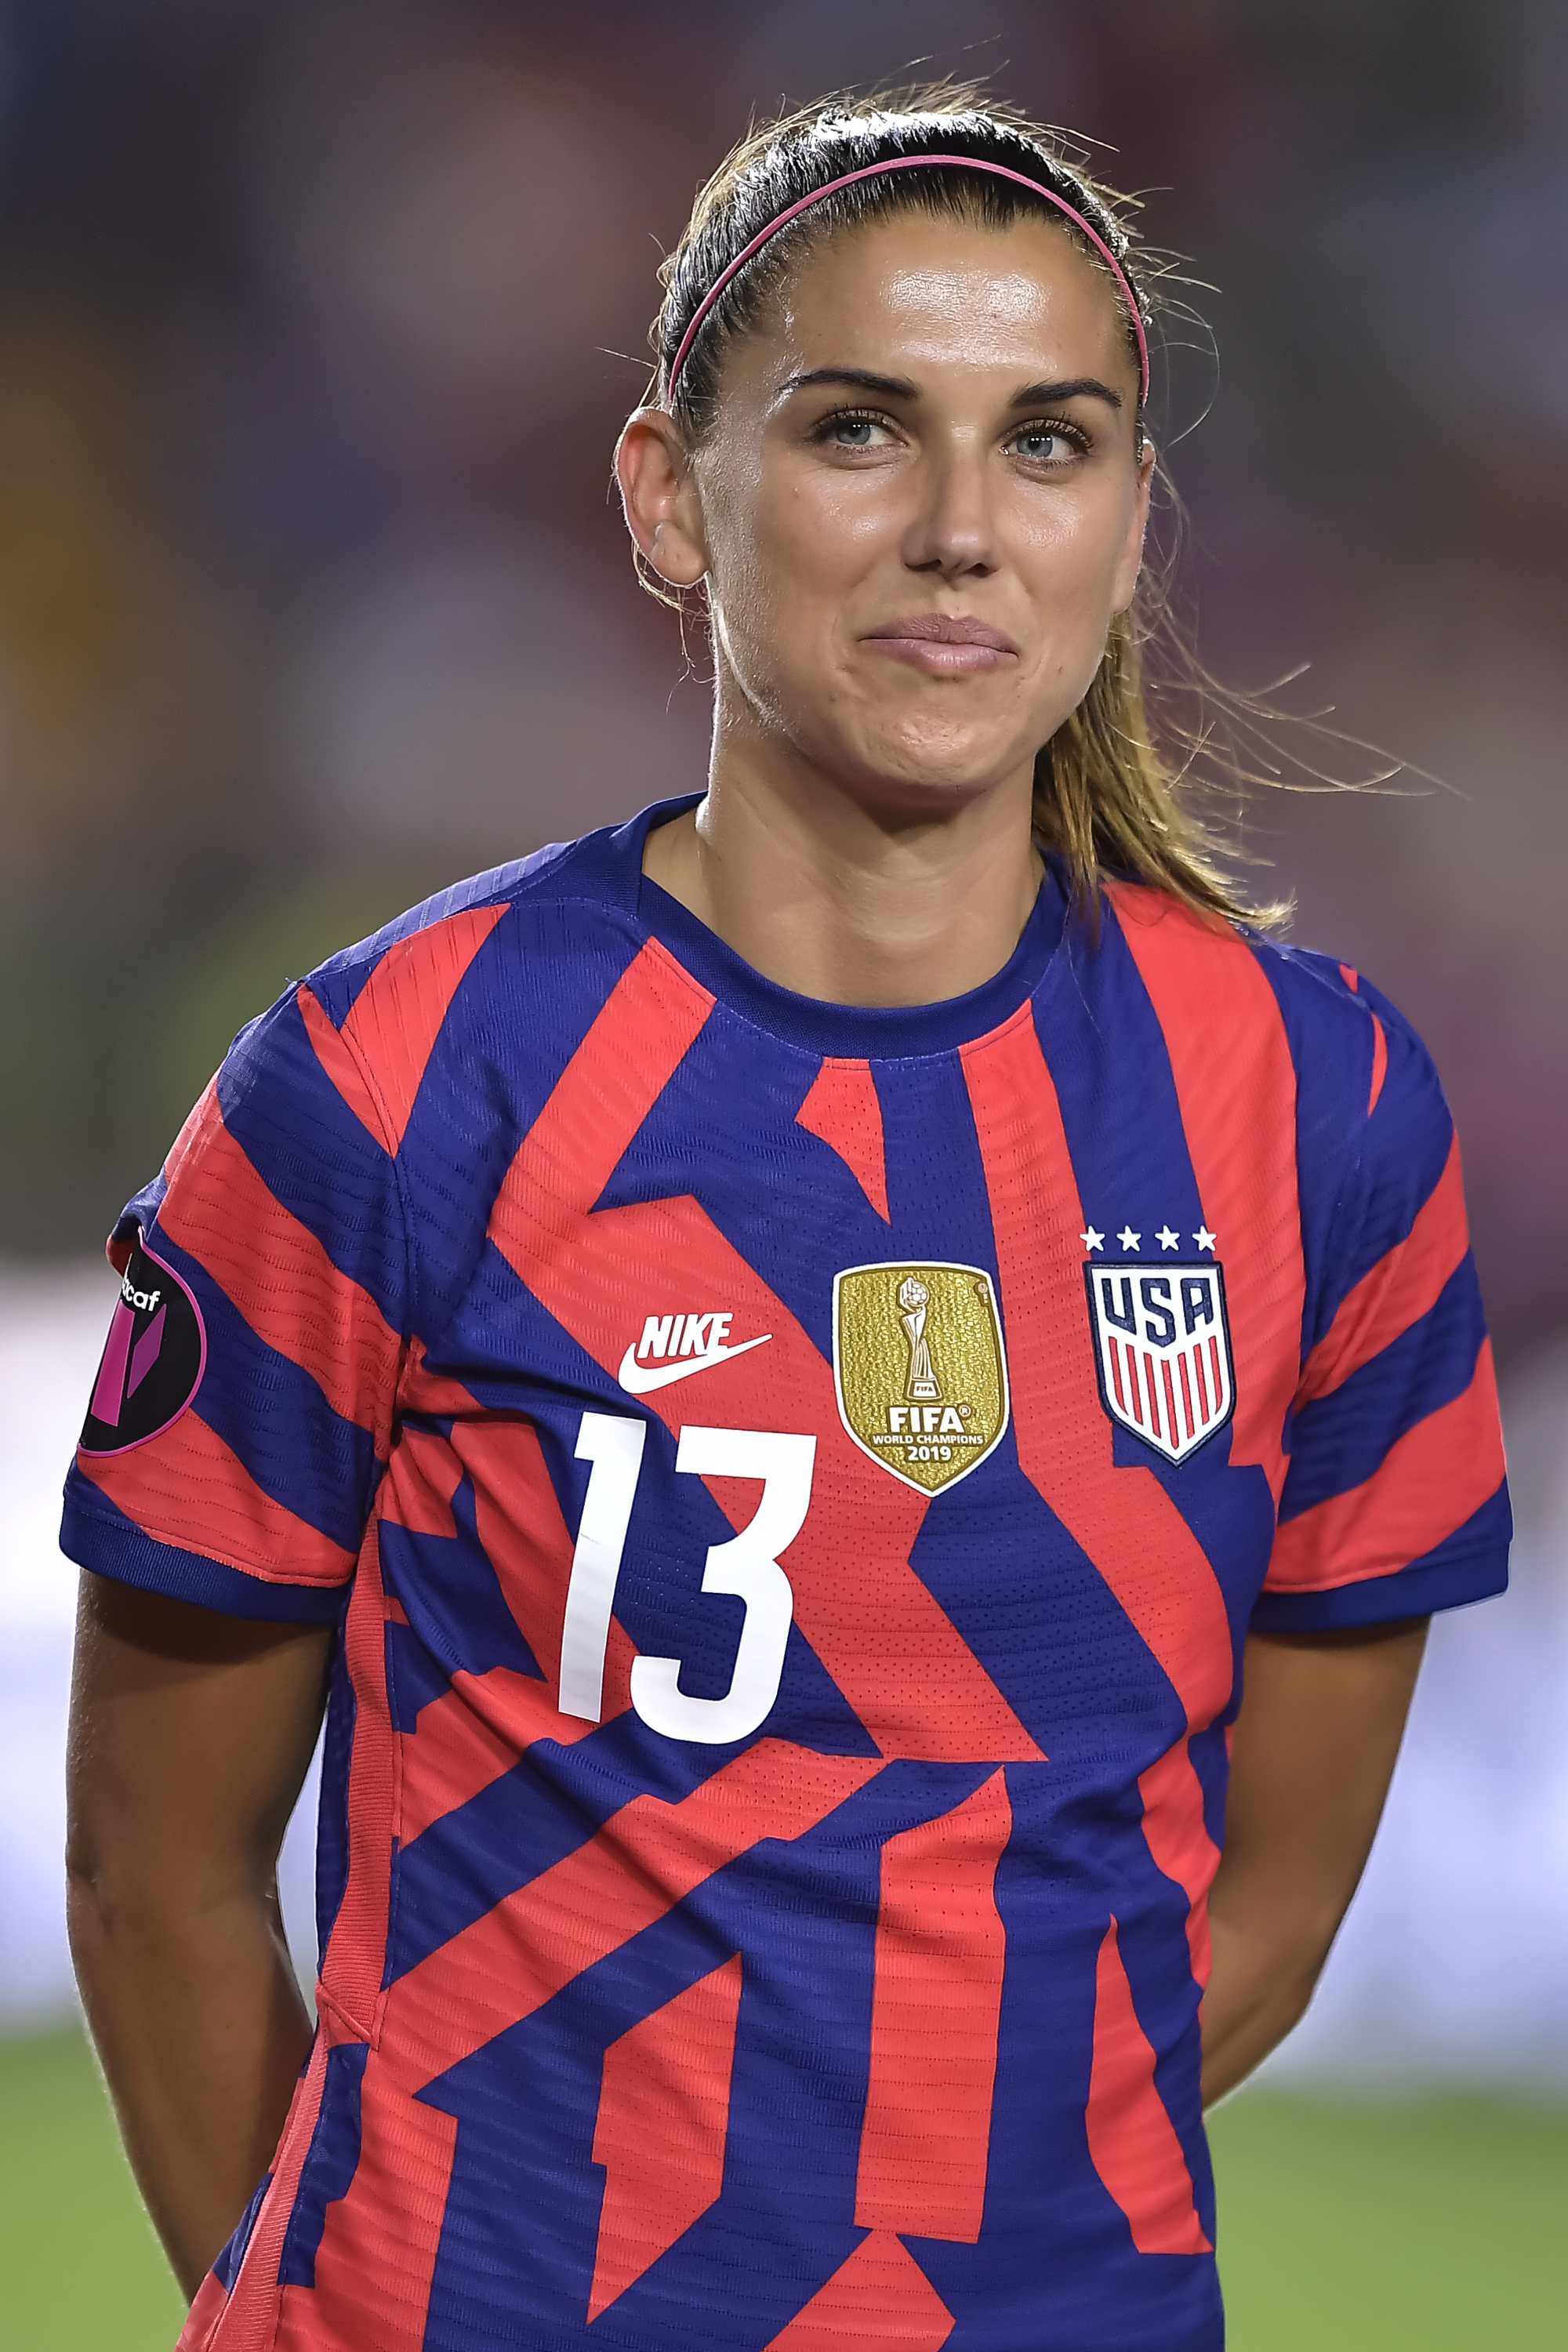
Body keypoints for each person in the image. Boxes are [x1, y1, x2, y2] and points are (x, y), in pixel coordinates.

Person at [62, 89, 1510, 2352]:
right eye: (860, 431)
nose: (960, 528)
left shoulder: (1314, 1113)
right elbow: (152, 1868)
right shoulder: (393, 1080)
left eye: (1051, 443)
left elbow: (1246, 1925)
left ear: (1131, 526)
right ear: (669, 495)